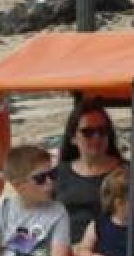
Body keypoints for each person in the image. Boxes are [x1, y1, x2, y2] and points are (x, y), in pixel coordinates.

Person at [52, 103, 125, 246]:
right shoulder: (56, 174)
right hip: (62, 254)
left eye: (102, 131)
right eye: (88, 132)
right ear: (73, 138)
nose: (96, 137)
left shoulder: (127, 173)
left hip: (111, 254)